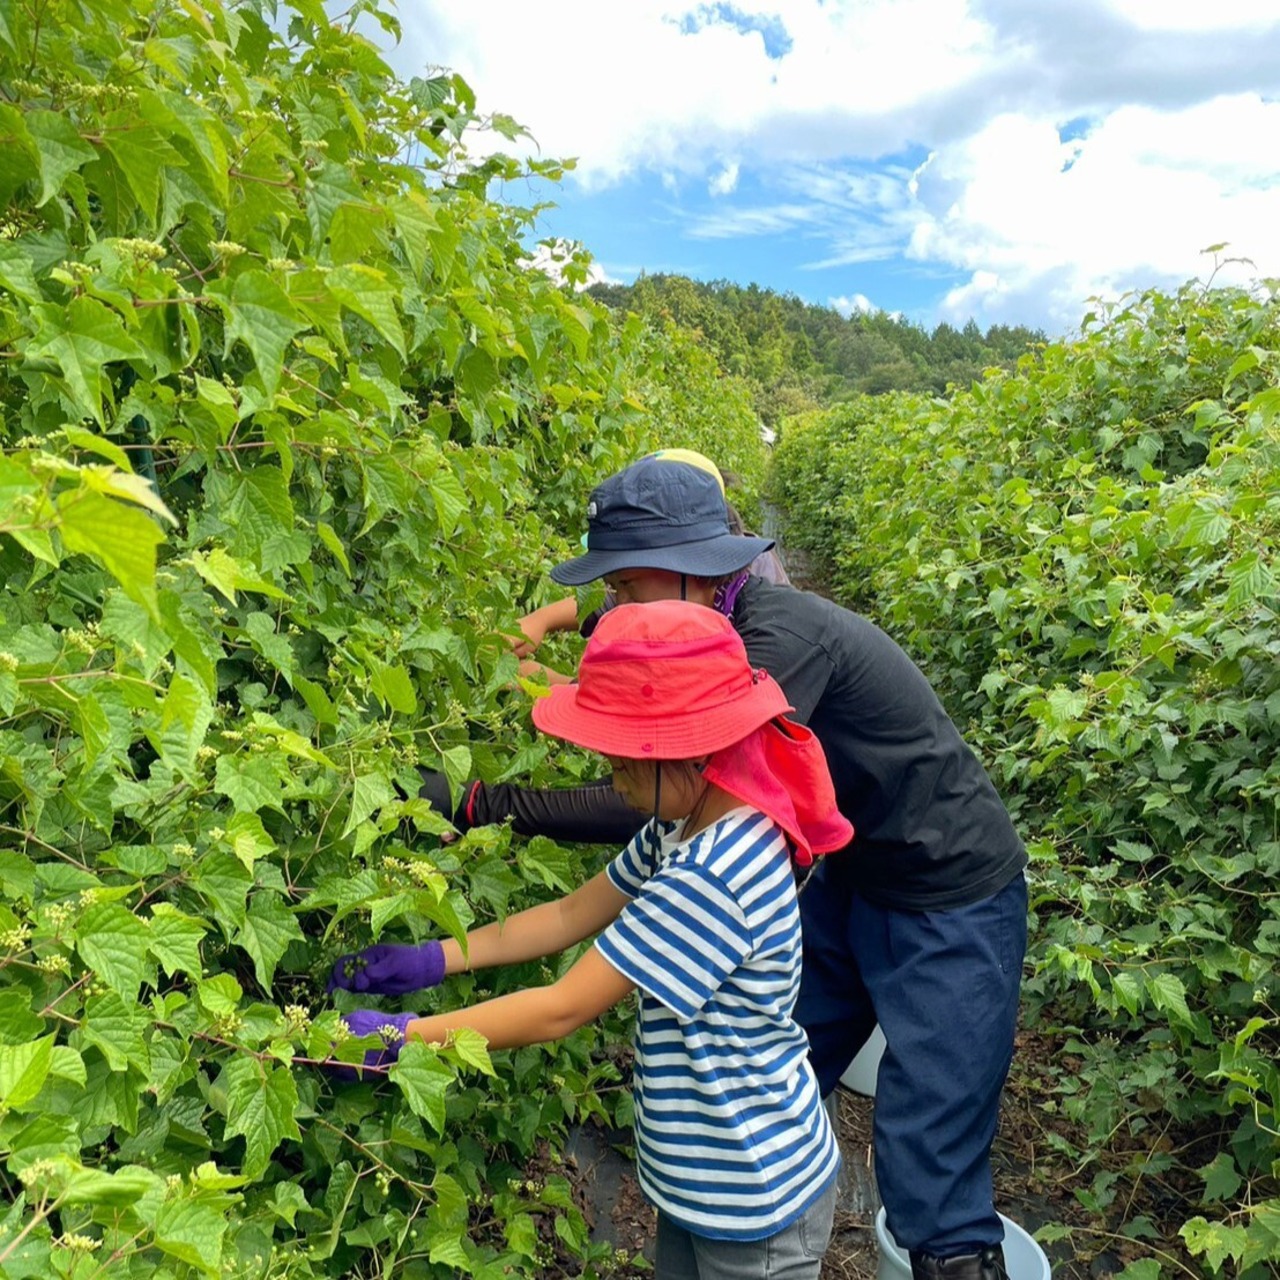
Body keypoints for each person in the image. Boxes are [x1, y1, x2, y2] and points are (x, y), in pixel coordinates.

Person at [412, 457, 1028, 1280]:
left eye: (626, 587)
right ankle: (771, 1185)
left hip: (948, 885)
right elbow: (633, 775)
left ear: (700, 572)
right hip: (854, 876)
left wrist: (480, 804)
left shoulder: (761, 663)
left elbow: (627, 816)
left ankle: (939, 1252)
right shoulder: (696, 662)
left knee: (930, 1150)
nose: (613, 606)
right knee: (780, 1045)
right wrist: (544, 629)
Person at [329, 602, 853, 1279]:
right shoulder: (685, 823)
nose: (612, 777)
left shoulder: (715, 873)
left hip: (753, 1199)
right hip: (704, 1183)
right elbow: (572, 912)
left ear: (686, 749)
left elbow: (563, 1008)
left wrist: (401, 1040)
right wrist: (435, 959)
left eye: (624, 760)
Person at [510, 449, 788, 685]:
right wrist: (541, 621)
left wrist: (556, 685)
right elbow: (625, 598)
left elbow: (686, 712)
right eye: (615, 584)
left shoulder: (771, 635)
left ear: (692, 563)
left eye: (627, 583)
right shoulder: (695, 586)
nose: (622, 601)